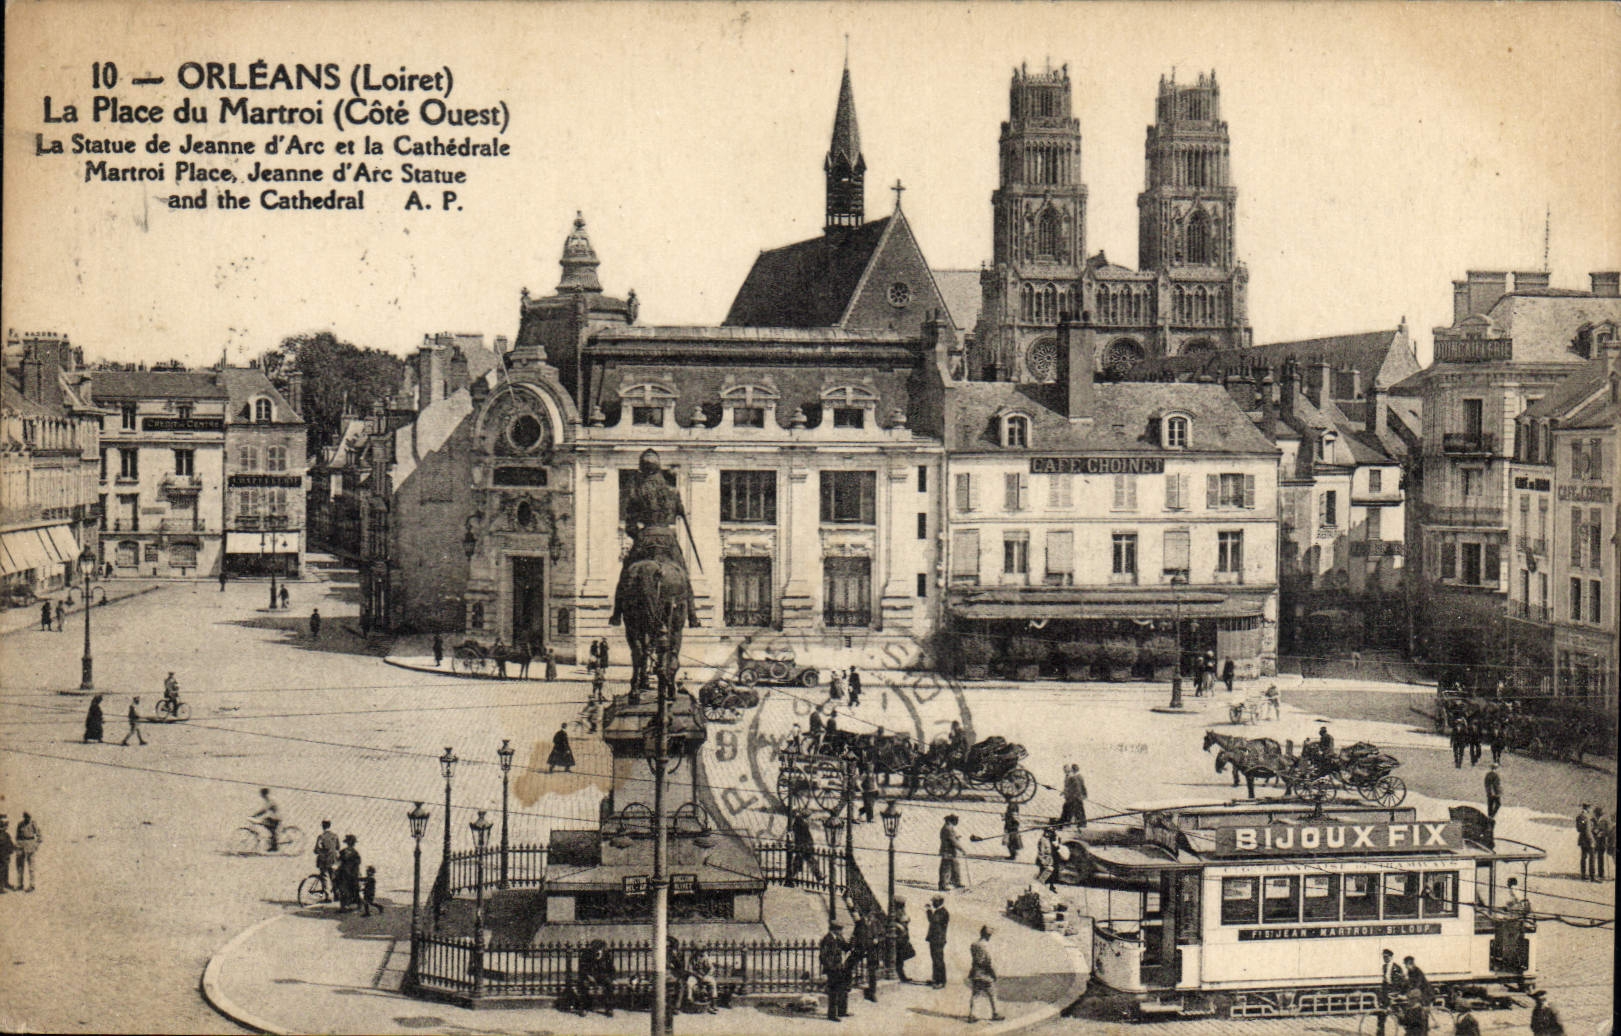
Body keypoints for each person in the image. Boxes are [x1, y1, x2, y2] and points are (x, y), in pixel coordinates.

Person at [610, 449, 701, 628]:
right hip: (668, 539)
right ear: (659, 468)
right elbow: (679, 513)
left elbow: (630, 526)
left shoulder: (636, 492)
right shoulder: (672, 491)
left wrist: (639, 535)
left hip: (645, 538)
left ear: (642, 470)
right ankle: (692, 615)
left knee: (625, 575)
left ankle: (617, 614)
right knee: (684, 574)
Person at [967, 926, 1003, 1022]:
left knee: (975, 995)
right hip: (985, 974)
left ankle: (972, 1014)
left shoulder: (974, 944)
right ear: (988, 936)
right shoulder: (986, 946)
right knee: (992, 994)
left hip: (975, 972)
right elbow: (989, 962)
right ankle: (995, 1013)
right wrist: (994, 973)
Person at [575, 939, 616, 1017]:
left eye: (600, 949)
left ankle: (609, 1008)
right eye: (595, 949)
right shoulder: (586, 955)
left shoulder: (606, 955)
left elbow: (612, 969)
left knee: (609, 984)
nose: (598, 951)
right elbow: (582, 969)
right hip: (589, 976)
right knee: (583, 984)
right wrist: (588, 976)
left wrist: (612, 978)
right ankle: (584, 1008)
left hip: (602, 977)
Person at [819, 921, 851, 1021]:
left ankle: (842, 1011)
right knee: (833, 992)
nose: (842, 932)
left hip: (839, 968)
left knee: (842, 989)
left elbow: (846, 947)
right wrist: (830, 967)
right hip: (832, 969)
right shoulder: (827, 939)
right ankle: (832, 1015)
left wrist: (852, 941)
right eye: (840, 930)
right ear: (835, 930)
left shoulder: (838, 938)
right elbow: (823, 956)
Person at [850, 908, 880, 1003]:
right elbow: (854, 936)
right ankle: (848, 985)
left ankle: (872, 993)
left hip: (871, 949)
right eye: (869, 915)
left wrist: (876, 939)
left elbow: (879, 934)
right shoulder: (859, 923)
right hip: (860, 948)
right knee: (850, 964)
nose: (871, 917)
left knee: (872, 971)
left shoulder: (875, 924)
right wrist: (852, 947)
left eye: (872, 915)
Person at [1376, 948, 1405, 1036]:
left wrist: (1396, 993)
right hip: (1386, 993)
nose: (1385, 958)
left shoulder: (1397, 967)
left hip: (1394, 993)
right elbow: (1384, 981)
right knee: (1381, 1014)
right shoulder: (1384, 967)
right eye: (1384, 957)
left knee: (1400, 1015)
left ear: (1391, 957)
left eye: (1387, 957)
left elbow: (1400, 982)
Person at [788, 809, 821, 885]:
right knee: (806, 861)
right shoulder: (801, 823)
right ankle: (818, 875)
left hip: (803, 845)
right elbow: (802, 836)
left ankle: (818, 875)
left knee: (801, 861)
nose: (810, 819)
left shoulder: (801, 823)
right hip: (803, 846)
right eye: (809, 817)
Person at [925, 895, 950, 989]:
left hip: (938, 940)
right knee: (935, 960)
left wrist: (928, 911)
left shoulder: (943, 912)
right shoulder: (939, 911)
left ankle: (941, 981)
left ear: (939, 902)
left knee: (938, 960)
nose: (933, 903)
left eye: (934, 902)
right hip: (934, 939)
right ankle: (936, 979)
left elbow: (933, 920)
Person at [685, 946, 719, 1012]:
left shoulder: (706, 957)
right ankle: (690, 999)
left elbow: (712, 968)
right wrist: (697, 975)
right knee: (689, 982)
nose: (700, 953)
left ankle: (714, 1002)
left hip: (704, 975)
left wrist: (707, 974)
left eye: (702, 951)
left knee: (713, 982)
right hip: (695, 975)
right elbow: (689, 969)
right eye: (698, 951)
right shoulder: (692, 957)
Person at [891, 897, 916, 983]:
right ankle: (901, 976)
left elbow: (906, 919)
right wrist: (900, 925)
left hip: (903, 937)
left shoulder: (901, 911)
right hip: (899, 938)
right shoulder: (895, 912)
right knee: (900, 958)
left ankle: (901, 974)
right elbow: (893, 921)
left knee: (904, 955)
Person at [938, 814, 966, 890]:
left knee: (954, 866)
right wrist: (962, 849)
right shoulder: (948, 828)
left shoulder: (947, 828)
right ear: (952, 821)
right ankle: (944, 885)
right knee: (946, 868)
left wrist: (956, 837)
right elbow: (952, 841)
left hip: (949, 851)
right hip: (947, 851)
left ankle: (955, 883)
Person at [14, 813, 41, 892]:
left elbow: (40, 836)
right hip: (21, 846)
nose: (27, 818)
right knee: (19, 866)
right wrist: (17, 844)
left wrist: (36, 845)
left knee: (31, 867)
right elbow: (17, 836)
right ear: (23, 817)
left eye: (28, 817)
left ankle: (32, 885)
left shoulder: (33, 824)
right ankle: (19, 884)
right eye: (25, 817)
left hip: (30, 845)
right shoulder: (20, 824)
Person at [314, 821, 341, 897]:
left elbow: (316, 850)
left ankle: (328, 896)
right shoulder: (335, 836)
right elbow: (338, 847)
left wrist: (320, 851)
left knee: (325, 877)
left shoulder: (321, 837)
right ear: (330, 825)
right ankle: (337, 895)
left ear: (322, 826)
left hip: (323, 861)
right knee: (334, 877)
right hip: (333, 860)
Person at [336, 834, 362, 911]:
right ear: (354, 844)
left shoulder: (343, 852)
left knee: (343, 890)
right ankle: (357, 905)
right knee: (354, 889)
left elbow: (339, 862)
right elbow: (358, 863)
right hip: (353, 874)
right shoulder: (355, 853)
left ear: (347, 843)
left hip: (344, 873)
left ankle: (343, 907)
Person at [1576, 803, 1595, 881]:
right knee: (1592, 858)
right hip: (1588, 840)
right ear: (1587, 808)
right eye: (1590, 808)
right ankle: (1592, 876)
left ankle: (1583, 875)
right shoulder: (1586, 817)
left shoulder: (1579, 816)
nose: (1591, 810)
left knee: (1583, 858)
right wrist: (1591, 841)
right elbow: (1587, 831)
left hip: (1582, 839)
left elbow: (1579, 829)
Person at [1594, 805, 1613, 881]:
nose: (1596, 815)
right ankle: (1598, 873)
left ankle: (1601, 874)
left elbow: (1608, 830)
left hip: (1602, 841)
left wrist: (1602, 833)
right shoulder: (1595, 820)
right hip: (1596, 841)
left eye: (1597, 813)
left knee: (1600, 857)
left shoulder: (1605, 821)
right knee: (1597, 857)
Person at [0, 816, 12, 893]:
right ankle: (0, 887)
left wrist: (14, 848)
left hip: (6, 855)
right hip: (1, 856)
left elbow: (10, 843)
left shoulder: (6, 834)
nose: (6, 827)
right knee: (1, 870)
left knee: (6, 869)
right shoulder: (1, 834)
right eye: (5, 825)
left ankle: (6, 883)